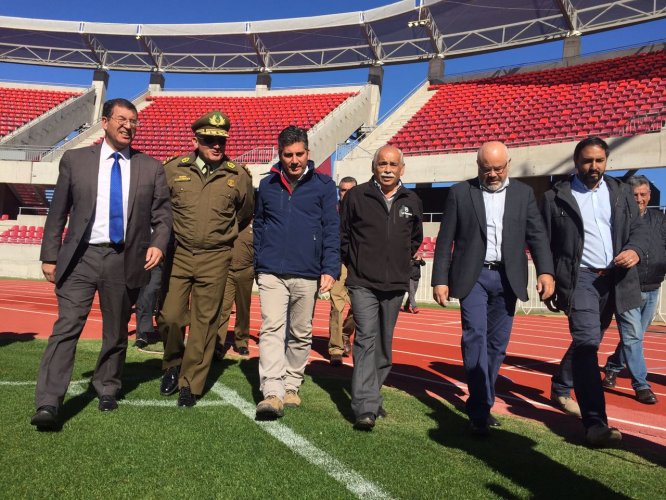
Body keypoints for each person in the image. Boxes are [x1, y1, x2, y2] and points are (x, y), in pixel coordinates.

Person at [31, 98, 172, 430]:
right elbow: (58, 211)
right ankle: (49, 401)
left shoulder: (150, 167)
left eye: (133, 121)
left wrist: (158, 244)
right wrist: (49, 255)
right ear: (105, 122)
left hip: (123, 259)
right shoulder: (76, 160)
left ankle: (107, 386)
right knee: (67, 327)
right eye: (122, 119)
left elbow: (163, 216)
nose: (128, 125)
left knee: (115, 331)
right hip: (80, 258)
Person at [432, 141, 554, 436]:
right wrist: (440, 278)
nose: (493, 174)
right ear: (478, 166)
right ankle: (479, 411)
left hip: (508, 278)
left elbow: (537, 236)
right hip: (472, 277)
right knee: (474, 335)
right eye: (486, 169)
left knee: (497, 345)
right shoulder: (460, 193)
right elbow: (445, 238)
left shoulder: (524, 195)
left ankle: (481, 398)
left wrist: (546, 271)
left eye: (498, 168)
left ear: (508, 164)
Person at [543, 136, 648, 447]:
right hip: (580, 280)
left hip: (616, 279)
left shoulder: (620, 192)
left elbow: (638, 229)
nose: (594, 167)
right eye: (587, 161)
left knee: (589, 340)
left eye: (599, 161)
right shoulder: (556, 196)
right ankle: (595, 422)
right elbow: (544, 241)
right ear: (577, 162)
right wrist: (548, 276)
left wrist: (636, 249)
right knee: (588, 343)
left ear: (606, 162)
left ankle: (561, 384)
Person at [159, 110, 253, 407]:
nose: (216, 145)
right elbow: (162, 209)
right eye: (209, 139)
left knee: (204, 321)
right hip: (180, 254)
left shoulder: (238, 176)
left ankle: (191, 382)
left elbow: (245, 214)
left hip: (216, 256)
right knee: (171, 316)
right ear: (195, 139)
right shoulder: (173, 169)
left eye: (220, 140)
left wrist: (219, 238)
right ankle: (173, 364)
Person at [253, 125, 339, 419]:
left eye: (299, 154)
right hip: (271, 271)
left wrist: (329, 267)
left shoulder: (325, 186)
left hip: (308, 271)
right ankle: (272, 391)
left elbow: (331, 229)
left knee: (300, 333)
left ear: (308, 153)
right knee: (272, 329)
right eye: (288, 155)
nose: (294, 160)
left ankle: (292, 384)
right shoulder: (267, 185)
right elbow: (260, 225)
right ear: (280, 154)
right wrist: (259, 261)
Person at [341, 145, 423, 430]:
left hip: (395, 283)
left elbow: (414, 239)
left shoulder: (412, 200)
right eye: (382, 164)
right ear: (373, 167)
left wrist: (399, 265)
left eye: (393, 164)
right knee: (366, 337)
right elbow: (344, 235)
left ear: (402, 169)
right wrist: (356, 262)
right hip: (362, 281)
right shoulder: (356, 196)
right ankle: (364, 406)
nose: (387, 169)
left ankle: (372, 396)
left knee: (384, 344)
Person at [602, 175, 663, 404]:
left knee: (635, 337)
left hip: (653, 286)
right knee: (633, 336)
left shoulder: (659, 219)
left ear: (649, 195)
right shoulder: (620, 220)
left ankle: (613, 366)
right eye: (635, 194)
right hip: (627, 286)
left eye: (643, 194)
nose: (639, 199)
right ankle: (641, 385)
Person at [328, 176, 357, 367]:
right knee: (336, 307)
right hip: (338, 264)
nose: (345, 193)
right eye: (342, 190)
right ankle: (336, 349)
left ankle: (345, 334)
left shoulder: (365, 211)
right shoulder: (331, 212)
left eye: (349, 190)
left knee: (360, 308)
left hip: (359, 264)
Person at [215, 221, 254, 358]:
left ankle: (241, 342)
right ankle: (218, 343)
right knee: (224, 308)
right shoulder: (230, 221)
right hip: (228, 271)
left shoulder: (253, 223)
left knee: (243, 309)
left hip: (246, 270)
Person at [134, 263, 163, 348]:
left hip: (159, 263)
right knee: (140, 298)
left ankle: (163, 329)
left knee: (151, 292)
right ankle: (141, 335)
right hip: (141, 262)